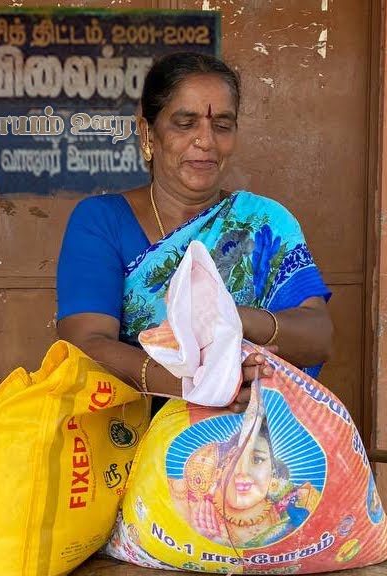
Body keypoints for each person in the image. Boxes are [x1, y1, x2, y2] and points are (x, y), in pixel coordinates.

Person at [55, 52, 334, 412]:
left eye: (222, 125)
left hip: (256, 448)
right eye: (185, 123)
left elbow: (318, 336)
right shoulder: (101, 221)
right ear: (147, 132)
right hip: (132, 446)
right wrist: (202, 383)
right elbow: (86, 344)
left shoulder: (265, 222)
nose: (206, 141)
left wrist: (230, 320)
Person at [171, 420, 319, 548]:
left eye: (258, 460)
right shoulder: (185, 502)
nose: (243, 471)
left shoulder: (300, 503)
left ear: (273, 471)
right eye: (235, 459)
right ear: (220, 470)